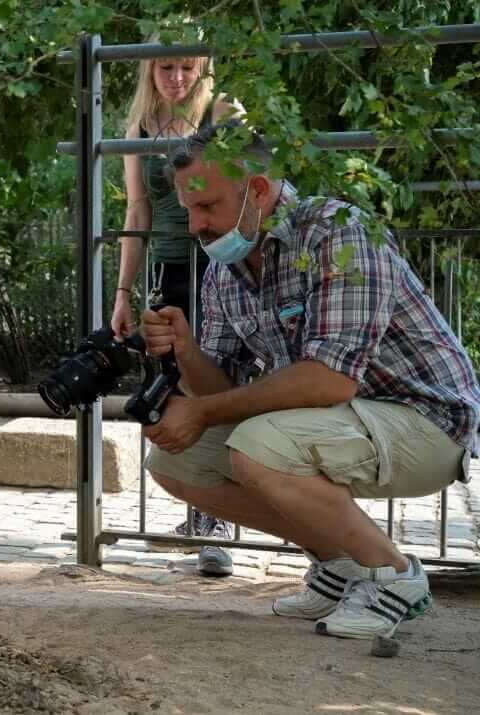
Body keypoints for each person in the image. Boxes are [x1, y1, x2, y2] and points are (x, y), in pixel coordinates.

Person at [139, 119, 480, 639]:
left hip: (429, 422)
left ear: (256, 190)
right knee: (173, 457)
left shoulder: (339, 233)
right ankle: (340, 566)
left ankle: (395, 576)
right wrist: (185, 350)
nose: (195, 227)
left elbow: (330, 381)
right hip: (337, 423)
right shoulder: (222, 272)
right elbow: (222, 392)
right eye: (189, 210)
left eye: (207, 207)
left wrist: (204, 412)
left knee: (258, 444)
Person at [111, 37, 244, 576]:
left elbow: (251, 178)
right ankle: (205, 510)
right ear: (150, 69)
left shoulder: (223, 109)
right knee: (180, 383)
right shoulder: (139, 129)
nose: (177, 76)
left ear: (203, 67)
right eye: (166, 66)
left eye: (187, 66)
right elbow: (137, 210)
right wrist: (122, 292)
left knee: (222, 380)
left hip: (224, 262)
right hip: (172, 268)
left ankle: (223, 520)